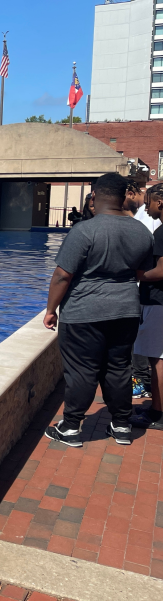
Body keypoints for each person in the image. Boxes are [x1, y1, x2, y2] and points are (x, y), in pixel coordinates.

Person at [44, 173, 154, 447]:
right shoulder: (141, 231)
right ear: (124, 196)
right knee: (119, 367)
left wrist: (51, 309)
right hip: (126, 310)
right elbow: (142, 273)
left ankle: (71, 428)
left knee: (82, 370)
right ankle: (121, 426)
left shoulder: (84, 230)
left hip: (84, 312)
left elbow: (62, 275)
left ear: (94, 195)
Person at [134, 183, 163, 430]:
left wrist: (135, 274)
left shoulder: (162, 232)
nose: (146, 208)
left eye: (148, 203)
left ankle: (157, 413)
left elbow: (161, 271)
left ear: (160, 203)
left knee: (158, 360)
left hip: (158, 302)